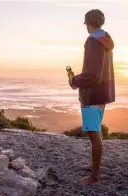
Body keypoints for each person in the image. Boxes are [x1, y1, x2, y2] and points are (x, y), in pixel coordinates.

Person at [69, 9, 115, 185]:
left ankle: (94, 176)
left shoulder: (93, 41)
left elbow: (93, 73)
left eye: (86, 24)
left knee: (93, 133)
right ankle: (94, 166)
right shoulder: (106, 40)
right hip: (103, 92)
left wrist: (75, 80)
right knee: (96, 130)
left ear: (88, 23)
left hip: (92, 94)